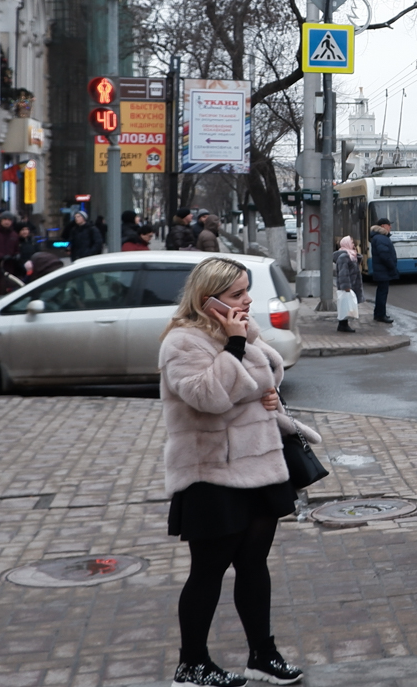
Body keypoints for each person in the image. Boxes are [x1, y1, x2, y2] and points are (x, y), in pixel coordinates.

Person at [159, 256, 315, 687]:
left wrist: (267, 395)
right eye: (236, 294)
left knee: (254, 564)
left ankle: (262, 656)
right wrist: (233, 345)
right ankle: (191, 664)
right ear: (207, 300)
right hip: (212, 471)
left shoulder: (243, 329)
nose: (247, 300)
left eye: (247, 290)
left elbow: (269, 373)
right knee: (208, 571)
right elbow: (207, 397)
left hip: (260, 463)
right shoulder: (182, 342)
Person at [368, 218, 397, 323]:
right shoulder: (381, 238)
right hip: (383, 270)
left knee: (381, 292)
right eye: (389, 225)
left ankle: (379, 314)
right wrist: (392, 266)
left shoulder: (378, 237)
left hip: (381, 270)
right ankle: (380, 315)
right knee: (382, 293)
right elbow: (384, 255)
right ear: (383, 226)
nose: (390, 227)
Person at [331, 236, 362, 333]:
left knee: (345, 305)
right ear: (346, 244)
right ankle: (342, 325)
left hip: (350, 285)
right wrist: (346, 287)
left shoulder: (351, 255)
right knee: (344, 305)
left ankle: (344, 324)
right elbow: (343, 273)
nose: (354, 245)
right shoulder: (344, 256)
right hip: (346, 286)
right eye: (352, 243)